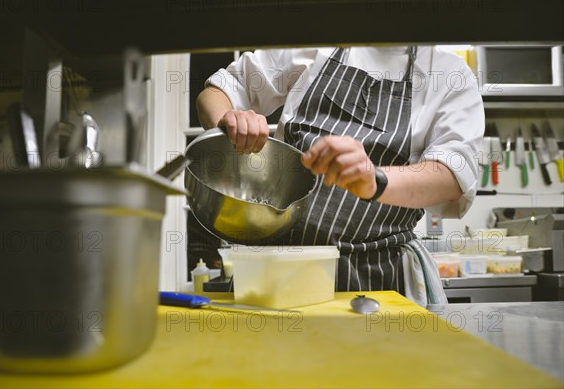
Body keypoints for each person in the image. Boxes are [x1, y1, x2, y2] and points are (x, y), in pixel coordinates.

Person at [195, 46, 484, 305]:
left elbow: (451, 174)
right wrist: (228, 121)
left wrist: (376, 179)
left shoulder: (448, 74)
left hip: (375, 281)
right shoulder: (316, 42)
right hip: (275, 272)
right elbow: (217, 91)